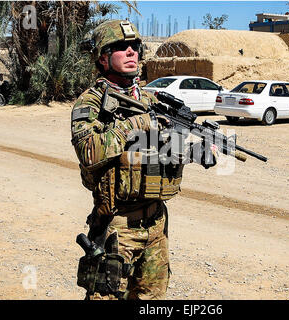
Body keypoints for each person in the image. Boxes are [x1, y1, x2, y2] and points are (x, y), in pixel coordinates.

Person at [71, 20, 218, 300]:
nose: (131, 52)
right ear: (103, 57)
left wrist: (196, 153)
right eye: (120, 47)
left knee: (151, 299)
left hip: (156, 223)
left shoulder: (149, 100)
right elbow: (89, 152)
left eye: (135, 46)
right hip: (118, 226)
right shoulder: (90, 103)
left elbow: (164, 151)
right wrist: (135, 124)